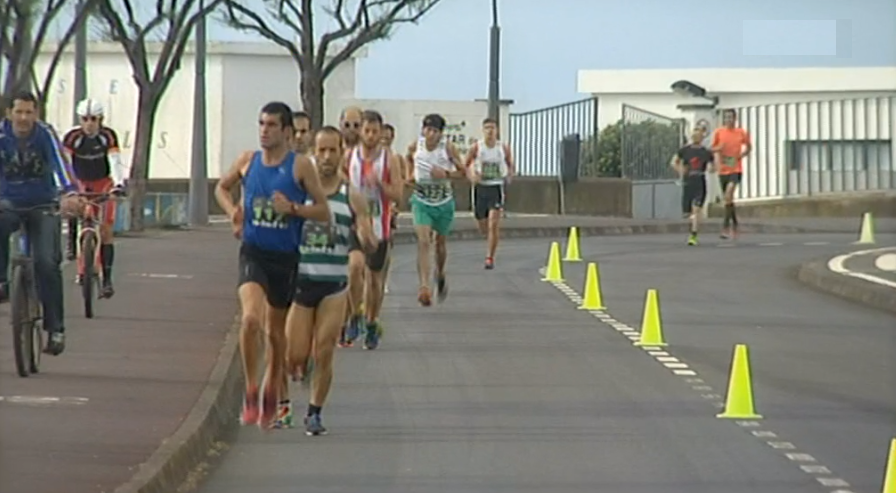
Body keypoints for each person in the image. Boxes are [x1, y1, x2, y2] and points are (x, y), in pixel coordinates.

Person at [214, 101, 330, 430]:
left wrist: (292, 208)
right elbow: (221, 188)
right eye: (261, 124)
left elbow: (322, 211)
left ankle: (270, 387)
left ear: (286, 132)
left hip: (285, 257)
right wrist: (232, 212)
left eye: (272, 125)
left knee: (275, 333)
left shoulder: (300, 167)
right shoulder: (248, 162)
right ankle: (251, 389)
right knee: (250, 319)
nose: (264, 131)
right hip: (254, 252)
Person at [276, 125, 375, 433]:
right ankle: (294, 384)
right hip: (302, 282)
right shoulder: (299, 193)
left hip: (334, 285)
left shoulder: (352, 197)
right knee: (295, 355)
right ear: (312, 153)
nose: (327, 157)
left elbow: (368, 237)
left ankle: (315, 412)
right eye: (322, 150)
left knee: (325, 348)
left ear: (342, 153)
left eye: (333, 150)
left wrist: (366, 236)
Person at [0, 91, 79, 355]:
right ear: (9, 113)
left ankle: (55, 329)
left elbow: (61, 165)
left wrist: (69, 192)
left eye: (29, 112)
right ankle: (1, 282)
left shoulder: (45, 134)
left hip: (42, 205)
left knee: (47, 262)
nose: (23, 118)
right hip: (7, 204)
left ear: (36, 114)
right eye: (19, 112)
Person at [344, 110, 403, 350]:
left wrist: (379, 183)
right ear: (360, 132)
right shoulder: (350, 156)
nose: (369, 136)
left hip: (380, 224)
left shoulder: (390, 160)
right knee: (354, 267)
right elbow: (339, 179)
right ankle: (355, 314)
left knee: (375, 280)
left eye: (374, 131)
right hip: (355, 222)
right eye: (365, 130)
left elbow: (398, 194)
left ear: (381, 133)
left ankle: (371, 321)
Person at [61, 98, 129, 297]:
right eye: (85, 119)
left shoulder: (108, 136)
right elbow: (65, 163)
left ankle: (107, 280)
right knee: (74, 203)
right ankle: (72, 240)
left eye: (94, 119)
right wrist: (65, 185)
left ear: (101, 119)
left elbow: (115, 161)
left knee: (106, 229)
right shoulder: (72, 137)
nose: (89, 123)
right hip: (80, 180)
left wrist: (118, 184)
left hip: (103, 182)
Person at [405, 114, 466, 306]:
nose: (430, 134)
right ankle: (424, 287)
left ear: (441, 134)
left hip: (443, 202)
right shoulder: (417, 145)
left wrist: (446, 173)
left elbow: (463, 172)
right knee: (424, 241)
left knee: (440, 244)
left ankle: (439, 273)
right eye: (427, 129)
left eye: (435, 131)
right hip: (422, 201)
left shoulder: (447, 148)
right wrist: (410, 175)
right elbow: (408, 157)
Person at [466, 117, 514, 269]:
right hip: (481, 188)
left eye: (492, 128)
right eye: (487, 128)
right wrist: (472, 175)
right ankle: (490, 239)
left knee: (494, 223)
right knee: (482, 223)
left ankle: (489, 257)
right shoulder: (476, 147)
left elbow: (510, 164)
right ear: (483, 130)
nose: (490, 131)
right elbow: (466, 164)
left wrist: (509, 175)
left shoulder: (503, 147)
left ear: (497, 130)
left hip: (495, 187)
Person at [710, 109, 751, 239]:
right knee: (728, 200)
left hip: (736, 169)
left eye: (731, 117)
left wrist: (741, 155)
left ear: (735, 118)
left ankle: (725, 227)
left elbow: (749, 147)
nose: (728, 120)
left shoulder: (741, 132)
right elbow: (712, 149)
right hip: (723, 169)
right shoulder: (719, 132)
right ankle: (735, 224)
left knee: (729, 194)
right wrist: (719, 149)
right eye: (726, 117)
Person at [673, 126, 714, 245]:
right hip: (688, 182)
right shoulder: (684, 150)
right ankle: (692, 224)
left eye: (699, 134)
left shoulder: (706, 152)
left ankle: (693, 235)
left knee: (696, 210)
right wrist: (680, 170)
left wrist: (712, 168)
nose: (696, 137)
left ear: (702, 137)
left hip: (700, 181)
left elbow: (713, 166)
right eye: (694, 134)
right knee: (687, 213)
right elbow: (674, 162)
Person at [380, 123, 404, 293]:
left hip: (389, 209)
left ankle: (383, 278)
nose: (385, 142)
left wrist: (397, 206)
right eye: (383, 138)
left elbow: (400, 187)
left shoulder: (396, 160)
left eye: (388, 139)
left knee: (387, 245)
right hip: (371, 207)